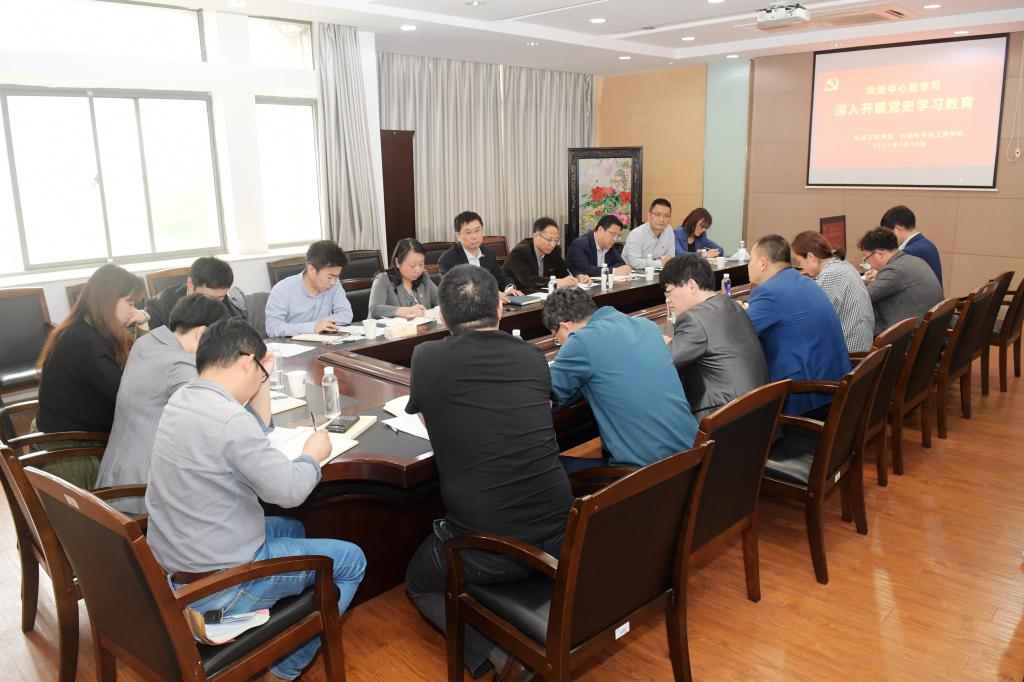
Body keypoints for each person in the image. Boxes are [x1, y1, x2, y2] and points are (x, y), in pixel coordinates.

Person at [146, 318, 366, 681]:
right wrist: (312, 455)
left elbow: (250, 433)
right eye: (261, 373)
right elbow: (289, 492)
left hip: (179, 566)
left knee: (291, 528)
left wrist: (261, 379)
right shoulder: (230, 420)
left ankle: (273, 622)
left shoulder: (181, 399)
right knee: (352, 560)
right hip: (217, 586)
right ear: (248, 362)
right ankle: (284, 668)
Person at [404, 265, 572, 681]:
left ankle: (500, 655)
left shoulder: (426, 358)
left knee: (419, 581)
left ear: (443, 317)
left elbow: (432, 423)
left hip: (491, 552)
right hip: (563, 535)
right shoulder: (532, 356)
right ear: (500, 309)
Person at [95, 294, 229, 514]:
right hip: (142, 495)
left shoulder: (147, 342)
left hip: (112, 479)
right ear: (202, 333)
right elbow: (214, 418)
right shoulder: (181, 364)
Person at [545, 287, 698, 471]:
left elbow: (544, 396)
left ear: (564, 326)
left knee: (541, 469)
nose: (560, 344)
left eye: (557, 339)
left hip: (646, 472)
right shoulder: (646, 326)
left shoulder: (581, 340)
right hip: (693, 453)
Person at [35, 264, 148, 488]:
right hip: (75, 448)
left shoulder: (87, 329)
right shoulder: (85, 342)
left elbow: (131, 374)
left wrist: (142, 324)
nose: (133, 310)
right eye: (130, 303)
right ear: (108, 301)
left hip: (77, 431)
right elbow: (127, 394)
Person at [746, 235, 851, 417]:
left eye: (750, 259)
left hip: (807, 398)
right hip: (835, 385)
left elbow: (738, 333)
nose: (748, 265)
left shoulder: (769, 292)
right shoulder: (805, 281)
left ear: (762, 263)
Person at [661, 255, 769, 422]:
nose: (667, 300)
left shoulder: (694, 318)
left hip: (726, 418)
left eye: (669, 291)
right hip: (760, 412)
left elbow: (663, 362)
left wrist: (662, 343)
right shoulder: (732, 304)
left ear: (691, 285)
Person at [790, 231, 875, 353]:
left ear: (810, 257)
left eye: (799, 261)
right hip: (861, 346)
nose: (802, 267)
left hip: (849, 353)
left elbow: (813, 321)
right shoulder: (843, 265)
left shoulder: (830, 275)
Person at [858, 226, 944, 336]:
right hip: (930, 332)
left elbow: (863, 297)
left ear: (879, 254)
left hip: (911, 337)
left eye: (867, 258)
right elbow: (878, 286)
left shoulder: (894, 270)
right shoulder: (913, 260)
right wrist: (858, 282)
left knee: (857, 317)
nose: (868, 263)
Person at [265, 240, 353, 337]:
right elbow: (273, 328)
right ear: (311, 269)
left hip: (325, 342)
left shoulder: (335, 284)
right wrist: (313, 327)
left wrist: (321, 325)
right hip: (292, 344)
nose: (333, 282)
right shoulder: (282, 290)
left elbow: (346, 314)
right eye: (330, 277)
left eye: (337, 276)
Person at [436, 211, 522, 299]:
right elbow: (455, 292)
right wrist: (492, 295)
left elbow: (501, 276)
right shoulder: (447, 260)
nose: (474, 236)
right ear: (458, 236)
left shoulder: (488, 252)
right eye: (468, 232)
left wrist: (509, 289)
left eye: (477, 231)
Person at [145, 256, 245, 330]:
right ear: (190, 284)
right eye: (209, 297)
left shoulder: (226, 306)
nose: (214, 304)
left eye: (220, 297)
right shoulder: (160, 306)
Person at [503, 217, 591, 291]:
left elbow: (565, 269)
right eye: (549, 240)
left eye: (556, 240)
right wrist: (555, 282)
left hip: (541, 295)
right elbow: (527, 281)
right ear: (536, 236)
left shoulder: (555, 251)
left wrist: (578, 276)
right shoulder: (520, 252)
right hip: (518, 296)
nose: (553, 245)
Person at [368, 238, 439, 319]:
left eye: (421, 264)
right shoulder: (383, 280)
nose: (418, 270)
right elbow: (374, 309)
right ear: (397, 262)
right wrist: (408, 311)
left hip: (422, 326)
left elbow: (442, 300)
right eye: (412, 265)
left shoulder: (424, 278)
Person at [881, 205, 942, 288]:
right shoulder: (927, 244)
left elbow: (892, 282)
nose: (888, 238)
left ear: (898, 229)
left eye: (889, 233)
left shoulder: (911, 252)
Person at [566, 214, 632, 277]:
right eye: (613, 235)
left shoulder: (608, 246)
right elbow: (583, 269)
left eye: (617, 236)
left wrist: (619, 270)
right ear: (601, 230)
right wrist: (613, 271)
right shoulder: (580, 244)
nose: (615, 239)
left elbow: (620, 264)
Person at [622, 198, 676, 270]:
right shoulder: (636, 234)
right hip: (632, 273)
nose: (662, 219)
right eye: (658, 214)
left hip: (657, 272)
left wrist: (661, 262)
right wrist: (660, 263)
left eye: (666, 216)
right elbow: (634, 263)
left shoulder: (669, 230)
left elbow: (670, 258)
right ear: (649, 216)